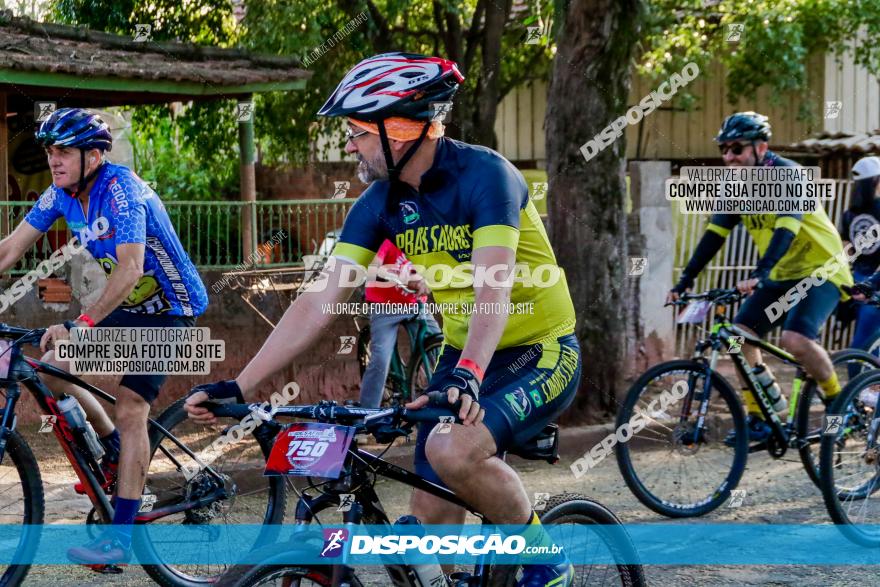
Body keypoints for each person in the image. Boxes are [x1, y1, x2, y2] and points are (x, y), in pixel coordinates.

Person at [185, 52, 581, 586]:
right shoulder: (380, 201)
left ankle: (545, 562)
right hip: (461, 356)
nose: (349, 144)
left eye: (356, 132)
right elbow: (319, 299)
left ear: (397, 131)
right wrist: (241, 384)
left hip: (539, 350)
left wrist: (469, 375)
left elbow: (494, 289)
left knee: (450, 449)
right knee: (425, 532)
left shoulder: (487, 176)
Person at [0, 108, 208, 566]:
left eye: (62, 151)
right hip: (130, 307)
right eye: (49, 151)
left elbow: (132, 268)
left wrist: (82, 323)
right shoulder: (61, 194)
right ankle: (114, 449)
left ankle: (120, 539)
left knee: (133, 407)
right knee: (52, 369)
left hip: (172, 310)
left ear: (92, 156)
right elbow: (11, 249)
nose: (53, 160)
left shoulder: (122, 191)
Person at [667, 111, 853, 444]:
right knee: (738, 339)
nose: (729, 157)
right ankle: (763, 415)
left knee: (795, 341)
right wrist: (684, 282)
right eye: (724, 150)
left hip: (821, 269)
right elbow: (714, 236)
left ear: (761, 147)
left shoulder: (788, 175)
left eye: (736, 148)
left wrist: (759, 274)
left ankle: (841, 404)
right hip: (782, 274)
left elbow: (786, 228)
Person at [360, 239, 441, 409]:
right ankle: (367, 414)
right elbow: (373, 268)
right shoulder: (387, 237)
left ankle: (446, 400)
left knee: (440, 348)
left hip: (415, 304)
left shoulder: (424, 237)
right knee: (380, 359)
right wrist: (403, 279)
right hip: (385, 306)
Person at [839, 156, 880, 351]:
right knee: (866, 343)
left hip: (856, 278)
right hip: (875, 282)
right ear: (875, 182)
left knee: (864, 337)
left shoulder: (849, 213)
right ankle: (861, 379)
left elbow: (847, 251)